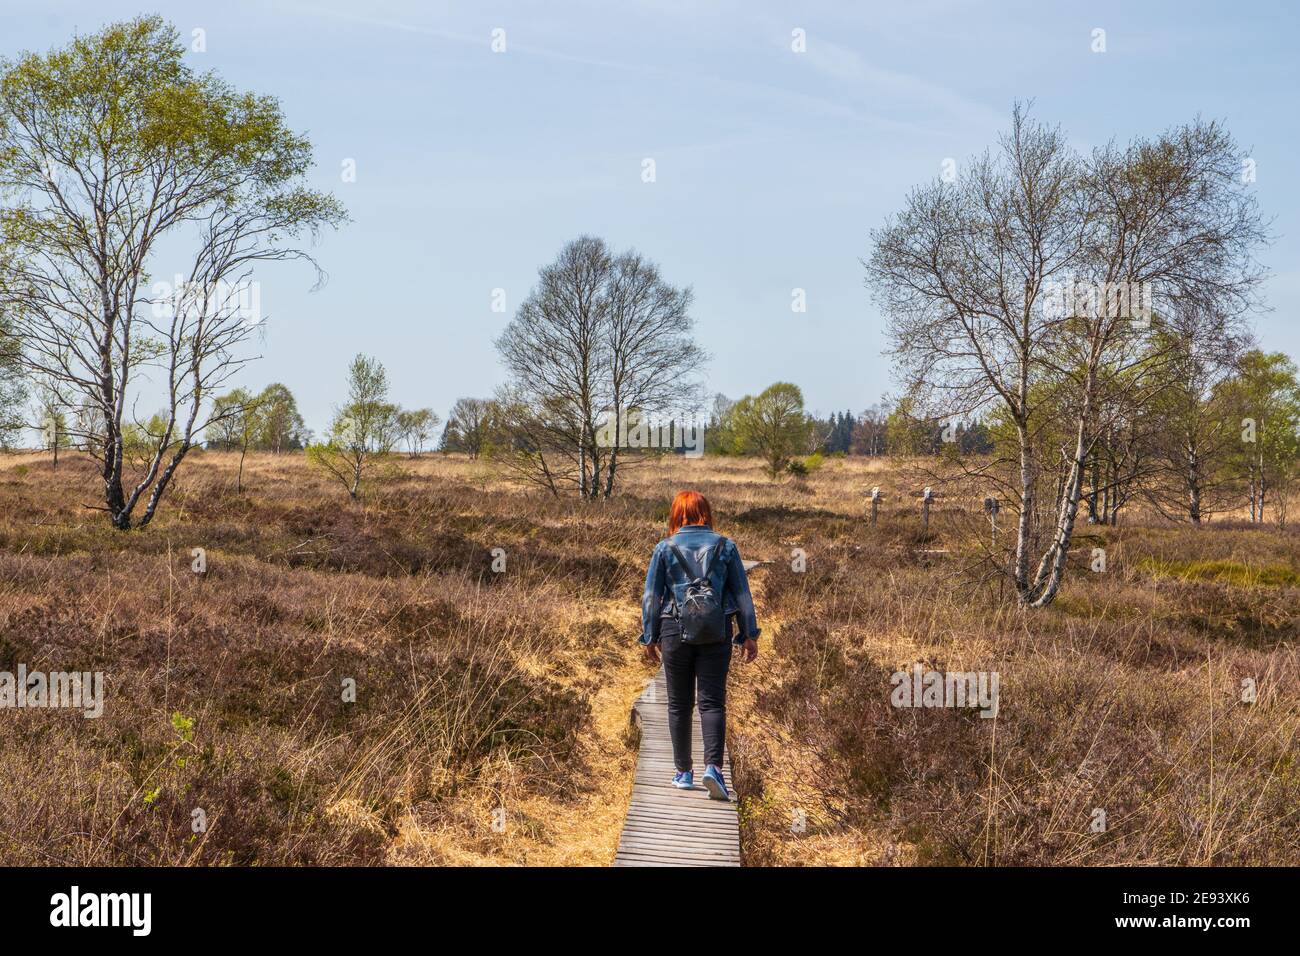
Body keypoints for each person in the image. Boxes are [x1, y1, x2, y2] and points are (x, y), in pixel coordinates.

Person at [639, 490, 760, 801]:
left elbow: (652, 597)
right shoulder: (726, 546)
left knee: (679, 705)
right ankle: (714, 769)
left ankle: (683, 772)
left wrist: (649, 637)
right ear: (706, 513)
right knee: (712, 703)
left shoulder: (664, 548)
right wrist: (749, 633)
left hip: (673, 631)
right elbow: (742, 594)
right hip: (717, 631)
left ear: (677, 515)